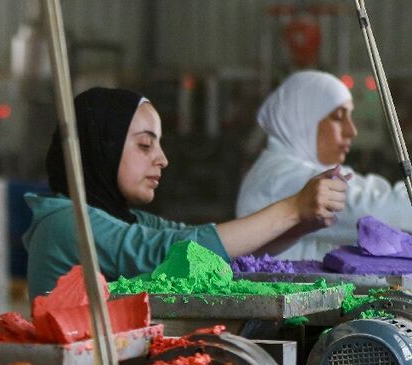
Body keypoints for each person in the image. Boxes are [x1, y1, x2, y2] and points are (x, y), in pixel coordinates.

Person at [23, 87, 349, 300]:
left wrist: (299, 225)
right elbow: (171, 251)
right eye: (145, 145)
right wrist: (292, 208)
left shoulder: (125, 219)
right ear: (101, 148)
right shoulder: (65, 223)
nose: (162, 159)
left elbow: (210, 250)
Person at [237, 70, 412, 260]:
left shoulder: (301, 170)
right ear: (303, 120)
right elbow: (384, 213)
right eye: (338, 117)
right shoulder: (279, 178)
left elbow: (376, 193)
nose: (352, 131)